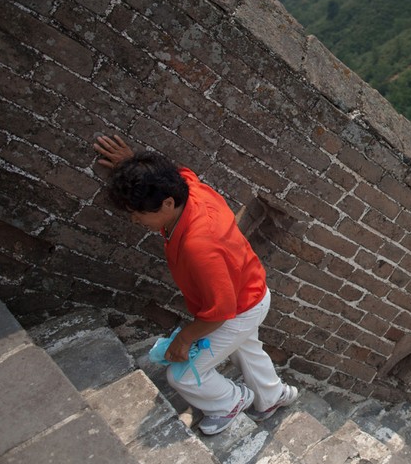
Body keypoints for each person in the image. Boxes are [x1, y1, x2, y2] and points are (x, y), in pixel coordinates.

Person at [94, 135, 298, 435]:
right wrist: (133, 167)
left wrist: (184, 339)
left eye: (139, 212)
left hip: (237, 309)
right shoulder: (186, 187)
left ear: (167, 202)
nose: (135, 219)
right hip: (252, 290)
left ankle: (230, 401)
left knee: (183, 376)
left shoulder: (199, 245)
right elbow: (173, 173)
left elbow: (220, 313)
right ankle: (272, 396)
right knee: (247, 350)